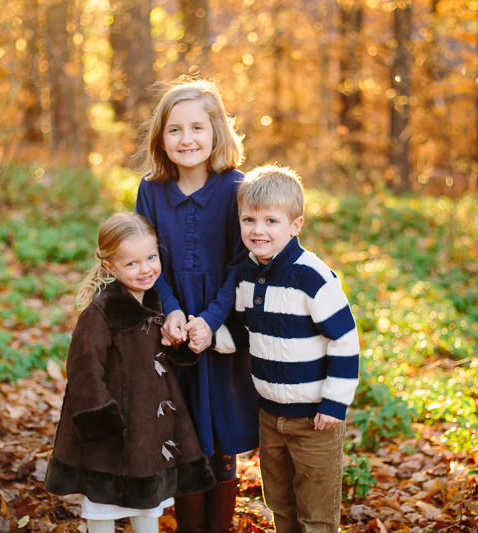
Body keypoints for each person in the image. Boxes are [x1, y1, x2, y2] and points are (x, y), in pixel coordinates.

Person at [135, 78, 260, 532]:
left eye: (197, 128)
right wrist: (169, 309)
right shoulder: (151, 190)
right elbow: (151, 260)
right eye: (174, 130)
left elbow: (239, 262)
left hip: (221, 326)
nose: (186, 139)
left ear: (216, 132)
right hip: (173, 327)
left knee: (220, 428)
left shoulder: (235, 188)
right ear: (161, 137)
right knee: (183, 429)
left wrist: (209, 320)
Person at [45, 213, 216, 533]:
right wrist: (101, 421)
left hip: (146, 429)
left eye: (151, 258)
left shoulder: (157, 303)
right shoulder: (101, 313)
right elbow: (83, 370)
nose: (146, 269)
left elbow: (158, 355)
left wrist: (180, 343)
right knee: (102, 509)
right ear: (110, 267)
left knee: (147, 504)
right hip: (109, 432)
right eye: (132, 263)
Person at [232, 164, 360, 533]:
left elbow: (344, 339)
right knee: (280, 504)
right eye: (249, 219)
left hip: (315, 421)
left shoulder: (312, 277)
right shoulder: (246, 274)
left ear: (295, 225)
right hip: (270, 416)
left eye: (271, 221)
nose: (258, 230)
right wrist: (208, 338)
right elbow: (247, 332)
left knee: (315, 513)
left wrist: (334, 402)